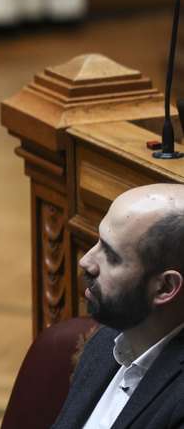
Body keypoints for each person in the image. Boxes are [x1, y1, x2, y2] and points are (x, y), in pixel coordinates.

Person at [52, 183, 184, 428]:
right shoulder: (108, 340)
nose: (86, 261)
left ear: (165, 287)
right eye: (98, 242)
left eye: (111, 256)